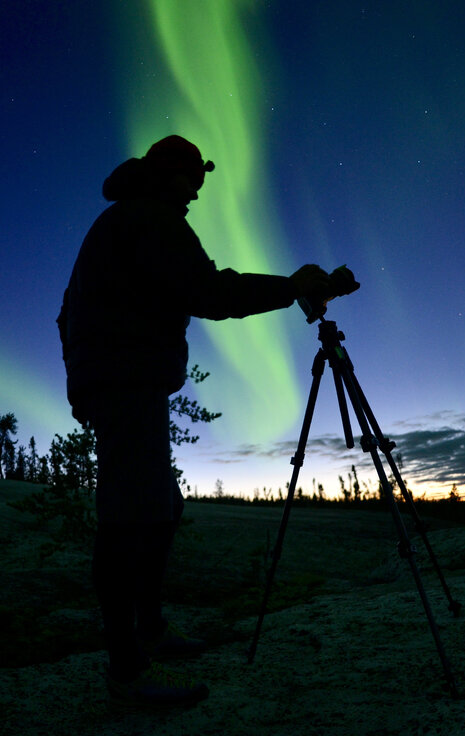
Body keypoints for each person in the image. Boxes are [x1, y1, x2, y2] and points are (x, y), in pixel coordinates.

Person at [57, 135, 332, 707]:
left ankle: (150, 630)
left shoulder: (120, 220)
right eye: (191, 177)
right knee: (129, 516)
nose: (199, 188)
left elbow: (68, 311)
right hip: (125, 379)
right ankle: (128, 672)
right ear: (165, 174)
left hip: (118, 378)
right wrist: (291, 288)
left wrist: (82, 379)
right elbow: (209, 292)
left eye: (201, 177)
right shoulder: (151, 220)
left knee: (158, 508)